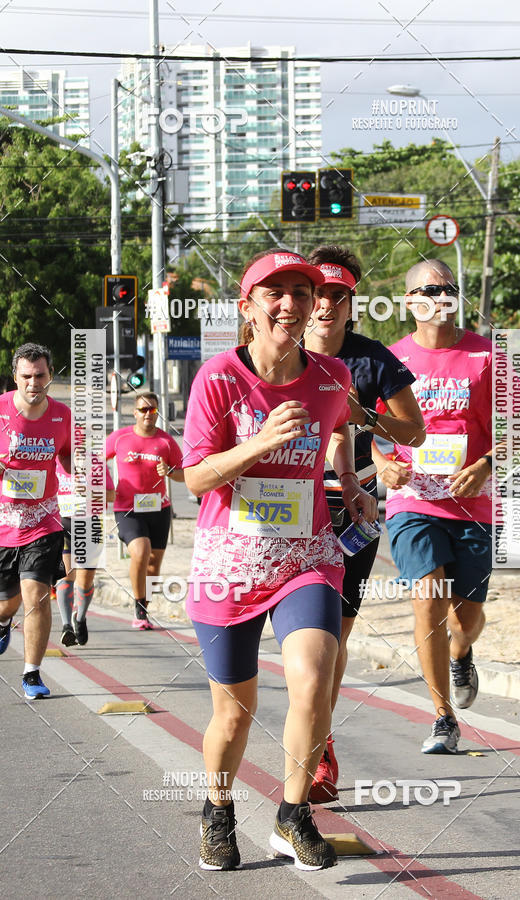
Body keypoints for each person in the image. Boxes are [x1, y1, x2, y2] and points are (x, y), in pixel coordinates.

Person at [183, 249, 378, 872]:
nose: (291, 303)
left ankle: (293, 816)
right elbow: (195, 477)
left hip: (307, 557)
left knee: (315, 681)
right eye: (275, 293)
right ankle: (218, 812)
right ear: (248, 308)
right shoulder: (218, 378)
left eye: (302, 291)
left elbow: (341, 426)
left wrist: (349, 481)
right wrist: (261, 441)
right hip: (230, 565)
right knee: (233, 714)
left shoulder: (331, 376)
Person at [374, 259, 520, 753]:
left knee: (466, 619)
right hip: (413, 501)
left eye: (449, 289)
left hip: (474, 503)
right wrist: (381, 464)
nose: (440, 297)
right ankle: (443, 717)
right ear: (409, 301)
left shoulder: (488, 355)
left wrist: (487, 464)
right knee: (428, 596)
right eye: (429, 290)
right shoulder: (389, 359)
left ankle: (461, 653)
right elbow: (359, 424)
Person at [303, 244, 425, 802]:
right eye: (319, 294)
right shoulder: (275, 353)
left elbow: (415, 431)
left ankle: (319, 745)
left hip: (352, 512)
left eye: (339, 296)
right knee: (303, 639)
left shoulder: (373, 360)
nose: (326, 305)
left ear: (352, 304)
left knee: (332, 636)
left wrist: (365, 416)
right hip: (284, 513)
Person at [0, 343, 71, 699]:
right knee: (6, 603)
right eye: (26, 376)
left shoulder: (62, 415)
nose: (33, 383)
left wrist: (84, 472)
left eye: (40, 375)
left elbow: (71, 459)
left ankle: (31, 673)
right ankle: (3, 621)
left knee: (37, 596)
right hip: (3, 523)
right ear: (15, 377)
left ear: (50, 375)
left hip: (43, 521)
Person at [105, 391, 184, 629]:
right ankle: (139, 609)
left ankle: (143, 610)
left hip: (159, 509)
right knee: (141, 551)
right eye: (143, 409)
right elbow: (95, 461)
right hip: (127, 509)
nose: (148, 414)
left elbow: (185, 474)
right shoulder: (120, 438)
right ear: (135, 413)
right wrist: (106, 486)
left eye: (153, 410)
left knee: (153, 566)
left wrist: (170, 472)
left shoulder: (166, 441)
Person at [54, 456, 116, 646]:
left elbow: (111, 495)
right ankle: (66, 626)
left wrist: (90, 492)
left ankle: (80, 618)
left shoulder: (96, 463)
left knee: (86, 579)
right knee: (66, 574)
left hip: (90, 525)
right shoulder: (54, 460)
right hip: (63, 522)